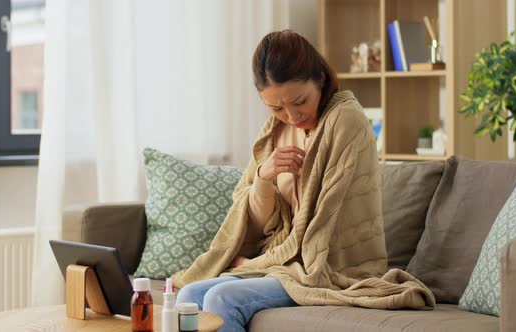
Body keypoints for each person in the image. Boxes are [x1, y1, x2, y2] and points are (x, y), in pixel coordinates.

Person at [175, 30, 434, 332]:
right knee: (189, 295)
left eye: (300, 101)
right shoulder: (275, 130)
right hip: (285, 263)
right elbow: (252, 225)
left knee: (222, 297)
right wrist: (263, 177)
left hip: (329, 266)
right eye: (276, 108)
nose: (292, 115)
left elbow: (319, 231)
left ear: (321, 80)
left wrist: (254, 265)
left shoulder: (346, 120)